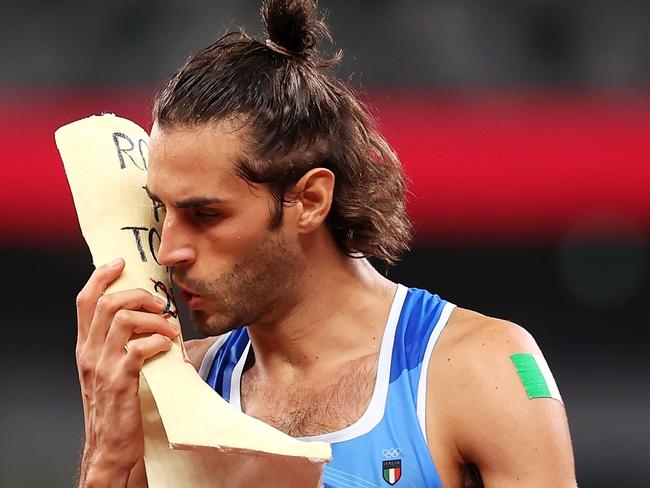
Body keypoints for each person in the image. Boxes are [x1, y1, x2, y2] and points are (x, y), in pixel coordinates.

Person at [74, 0, 577, 486]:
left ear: (310, 200)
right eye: (162, 212)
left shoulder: (479, 369)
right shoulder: (185, 388)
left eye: (206, 214)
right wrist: (105, 451)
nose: (169, 252)